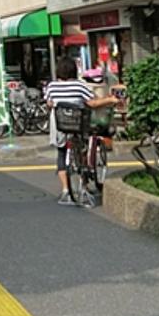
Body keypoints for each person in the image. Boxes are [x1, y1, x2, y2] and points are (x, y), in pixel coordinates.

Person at [45, 58, 118, 206]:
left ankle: (66, 191)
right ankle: (83, 187)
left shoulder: (51, 86)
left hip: (60, 126)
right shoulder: (79, 85)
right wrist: (110, 100)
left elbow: (49, 103)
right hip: (77, 125)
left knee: (61, 154)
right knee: (83, 150)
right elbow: (92, 103)